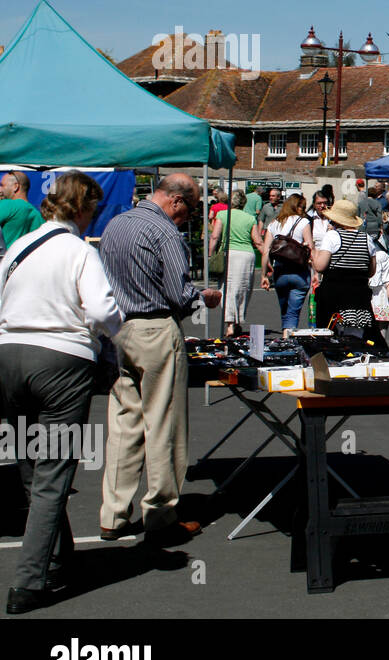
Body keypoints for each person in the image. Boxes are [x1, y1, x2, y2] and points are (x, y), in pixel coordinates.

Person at [0, 172, 123, 614]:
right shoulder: (78, 251)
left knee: (31, 467)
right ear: (85, 208)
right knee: (53, 472)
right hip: (61, 363)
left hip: (9, 356)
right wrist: (112, 336)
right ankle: (28, 583)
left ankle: (56, 559)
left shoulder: (18, 248)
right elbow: (103, 309)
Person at [98, 173, 220, 545]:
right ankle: (161, 511)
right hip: (154, 327)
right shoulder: (164, 232)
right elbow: (178, 294)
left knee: (123, 423)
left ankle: (113, 514)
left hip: (119, 328)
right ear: (177, 202)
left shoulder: (116, 224)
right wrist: (204, 297)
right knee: (162, 422)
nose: (189, 216)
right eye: (192, 208)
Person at [311, 199, 378, 332]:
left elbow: (320, 266)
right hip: (359, 298)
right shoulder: (367, 239)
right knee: (358, 337)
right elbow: (371, 271)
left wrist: (313, 252)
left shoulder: (332, 236)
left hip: (334, 297)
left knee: (330, 336)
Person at [209, 189, 261, 338]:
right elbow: (257, 240)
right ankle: (238, 321)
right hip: (247, 255)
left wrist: (210, 254)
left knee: (227, 288)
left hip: (229, 253)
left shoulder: (223, 215)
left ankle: (230, 324)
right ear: (243, 203)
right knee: (243, 288)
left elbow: (214, 236)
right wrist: (266, 260)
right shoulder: (250, 218)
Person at [261, 193, 313, 337]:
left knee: (284, 311)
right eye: (301, 207)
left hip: (280, 272)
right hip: (299, 272)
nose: (303, 210)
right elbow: (310, 248)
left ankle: (286, 336)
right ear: (296, 207)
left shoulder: (274, 224)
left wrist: (264, 275)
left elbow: (266, 252)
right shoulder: (303, 223)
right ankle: (287, 341)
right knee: (293, 313)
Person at [0, 171, 45, 247]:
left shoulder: (8, 204)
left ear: (16, 186)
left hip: (5, 257)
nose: (0, 189)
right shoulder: (39, 216)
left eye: (2, 185)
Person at [368, 242, 389, 340]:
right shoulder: (384, 256)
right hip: (383, 304)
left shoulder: (365, 255)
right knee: (382, 334)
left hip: (369, 302)